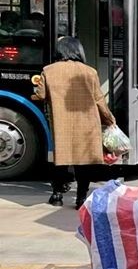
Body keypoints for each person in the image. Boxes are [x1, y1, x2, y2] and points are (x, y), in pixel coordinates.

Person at [32, 36, 116, 208]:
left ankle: (57, 195)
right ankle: (81, 199)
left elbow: (41, 95)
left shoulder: (49, 70)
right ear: (78, 51)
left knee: (61, 159)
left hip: (61, 123)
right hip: (87, 123)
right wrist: (109, 120)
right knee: (83, 162)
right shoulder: (90, 72)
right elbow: (99, 100)